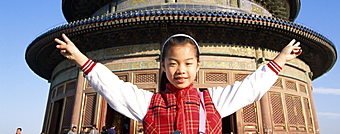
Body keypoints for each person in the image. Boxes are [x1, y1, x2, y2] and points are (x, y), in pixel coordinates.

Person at [55, 33, 302, 134]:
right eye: (172, 63)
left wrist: (280, 58)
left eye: (187, 63)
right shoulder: (150, 104)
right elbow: (113, 87)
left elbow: (250, 88)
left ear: (197, 65)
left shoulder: (212, 102)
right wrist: (79, 57)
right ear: (163, 66)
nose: (180, 70)